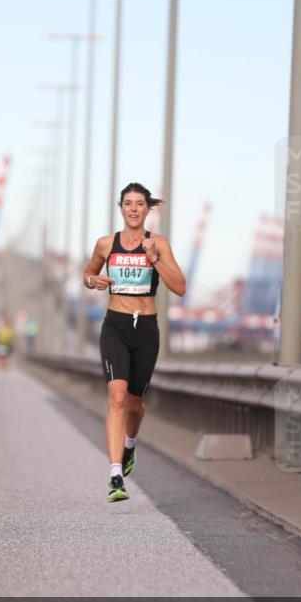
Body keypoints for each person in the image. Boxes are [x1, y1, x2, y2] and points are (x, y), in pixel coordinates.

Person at [83, 182, 186, 502]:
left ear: (146, 209)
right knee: (116, 396)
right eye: (127, 203)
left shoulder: (159, 244)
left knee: (135, 404)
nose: (133, 208)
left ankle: (130, 445)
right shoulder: (105, 244)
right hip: (115, 326)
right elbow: (88, 274)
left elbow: (180, 287)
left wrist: (154, 260)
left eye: (139, 204)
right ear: (121, 208)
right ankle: (115, 475)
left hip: (146, 330)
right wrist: (93, 281)